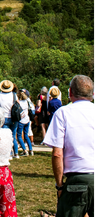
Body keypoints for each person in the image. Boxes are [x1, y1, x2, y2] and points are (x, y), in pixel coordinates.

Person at [44, 75, 95, 217]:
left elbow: (57, 153)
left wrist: (60, 185)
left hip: (76, 179)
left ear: (70, 92)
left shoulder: (63, 113)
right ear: (92, 94)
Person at [0, 80, 20, 158]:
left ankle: (9, 153)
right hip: (13, 117)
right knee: (13, 135)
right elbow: (18, 104)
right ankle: (16, 153)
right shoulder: (14, 95)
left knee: (6, 136)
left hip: (4, 117)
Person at [17, 89, 33, 156]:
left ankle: (24, 150)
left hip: (21, 120)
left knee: (19, 136)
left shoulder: (19, 102)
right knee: (26, 135)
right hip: (27, 119)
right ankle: (31, 150)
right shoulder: (27, 101)